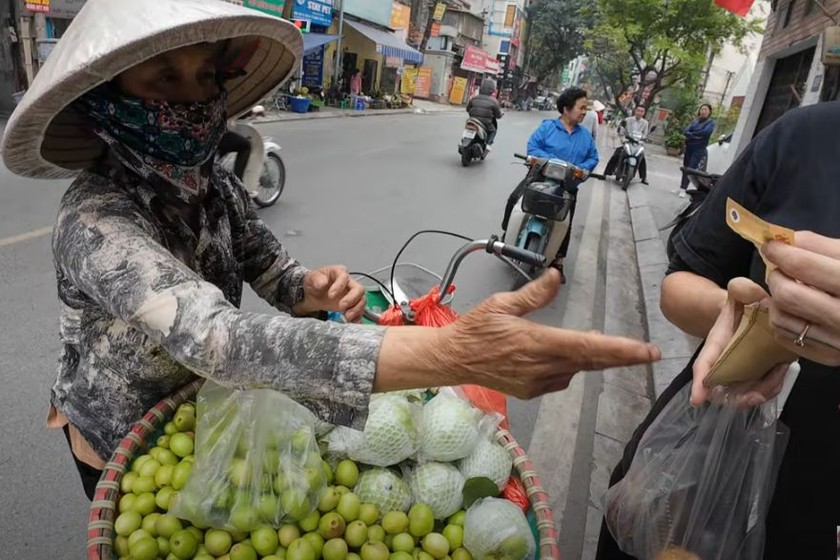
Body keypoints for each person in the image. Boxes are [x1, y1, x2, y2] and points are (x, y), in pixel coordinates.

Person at [0, 0, 660, 501]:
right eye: (161, 79)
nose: (191, 97)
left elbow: (265, 263)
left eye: (204, 76)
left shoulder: (212, 180)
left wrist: (313, 288)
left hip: (203, 412)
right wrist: (453, 354)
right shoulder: (96, 218)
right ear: (106, 102)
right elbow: (218, 341)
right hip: (120, 430)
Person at [596, 101, 840, 559]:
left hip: (811, 518)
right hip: (690, 470)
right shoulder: (805, 137)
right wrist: (752, 320)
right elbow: (679, 285)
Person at [501, 87, 599, 284]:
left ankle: (558, 262)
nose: (584, 112)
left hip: (568, 185)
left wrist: (582, 169)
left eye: (585, 108)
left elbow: (593, 158)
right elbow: (533, 146)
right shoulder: (547, 127)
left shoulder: (585, 136)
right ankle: (506, 233)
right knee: (514, 199)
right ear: (566, 109)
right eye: (581, 107)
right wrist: (551, 161)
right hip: (539, 177)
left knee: (566, 222)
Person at [675, 103, 715, 197]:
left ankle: (684, 189)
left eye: (705, 109)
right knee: (685, 167)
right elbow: (686, 131)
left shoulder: (710, 123)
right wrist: (695, 135)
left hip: (699, 149)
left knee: (691, 168)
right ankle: (681, 186)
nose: (703, 111)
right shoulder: (695, 121)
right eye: (702, 109)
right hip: (689, 147)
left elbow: (705, 133)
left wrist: (692, 134)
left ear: (709, 112)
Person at [604, 105, 650, 184]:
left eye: (641, 111)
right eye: (638, 110)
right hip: (626, 142)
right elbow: (622, 130)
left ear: (644, 113)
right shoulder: (628, 120)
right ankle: (606, 173)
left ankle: (644, 178)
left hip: (637, 144)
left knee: (642, 158)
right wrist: (623, 139)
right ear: (635, 111)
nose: (639, 113)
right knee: (616, 155)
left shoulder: (645, 123)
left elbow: (645, 134)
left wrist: (643, 140)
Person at [466, 78, 503, 147]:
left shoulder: (474, 98)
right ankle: (488, 145)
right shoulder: (494, 101)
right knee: (493, 131)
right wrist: (500, 115)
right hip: (485, 122)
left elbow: (468, 109)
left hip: (472, 120)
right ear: (492, 90)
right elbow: (498, 115)